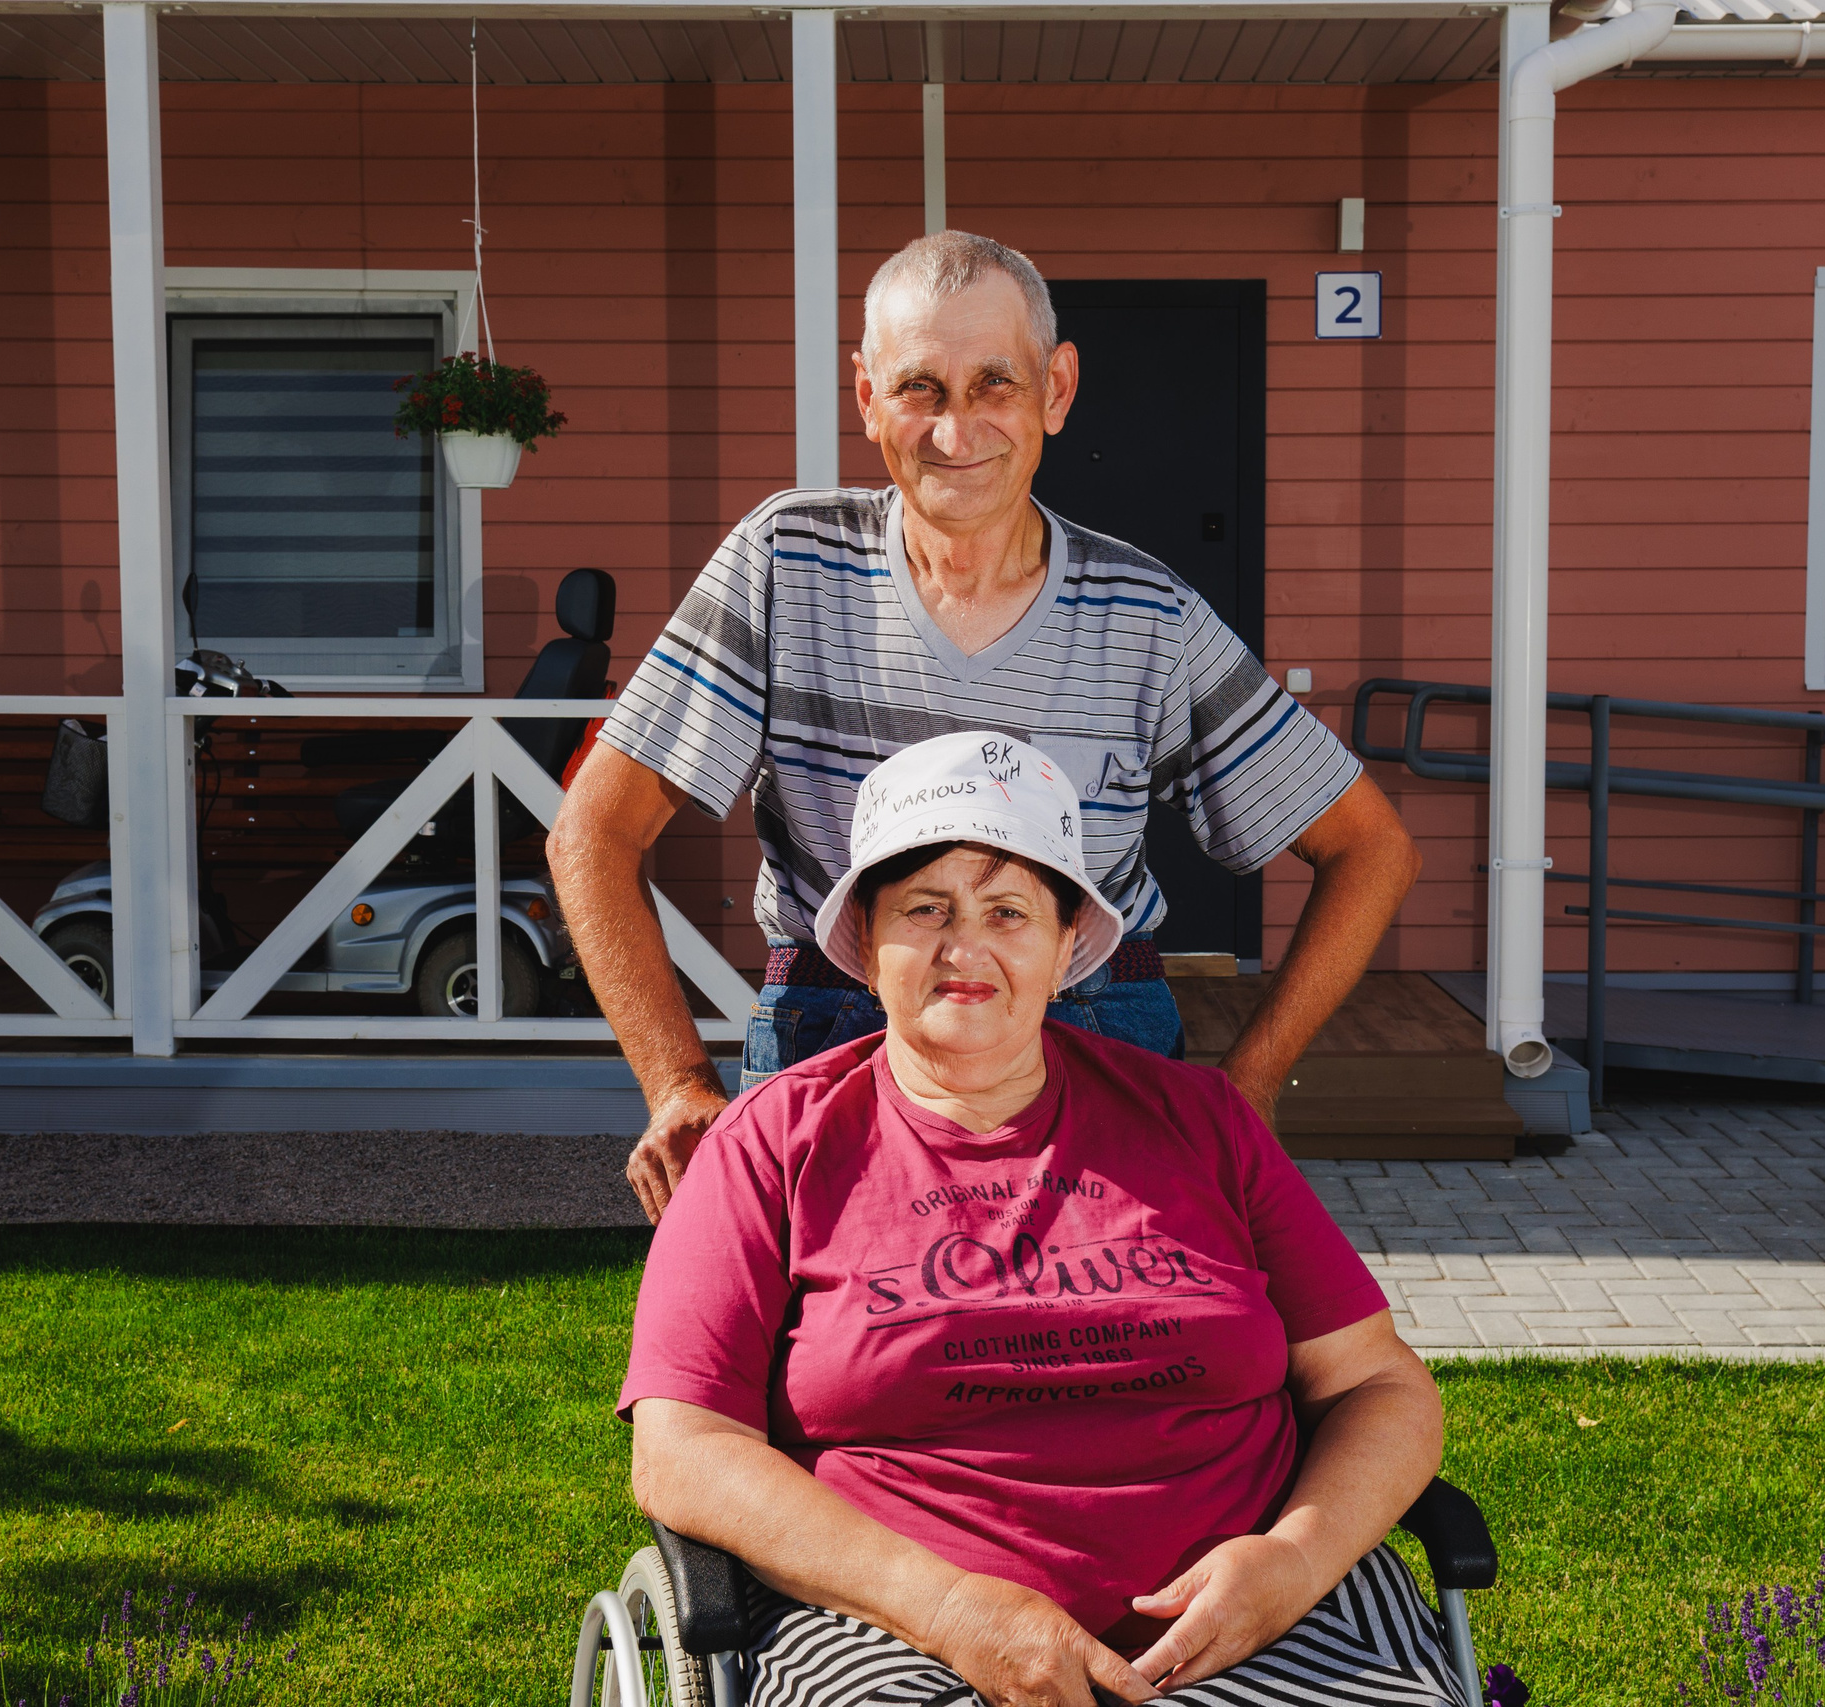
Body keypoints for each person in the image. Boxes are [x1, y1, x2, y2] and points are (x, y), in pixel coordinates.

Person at [551, 230, 1420, 1225]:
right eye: (919, 387)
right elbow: (592, 831)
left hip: (1093, 1032)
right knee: (816, 1366)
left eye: (992, 385)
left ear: (1056, 390)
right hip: (837, 1025)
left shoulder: (1148, 614)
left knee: (1112, 1358)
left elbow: (1370, 850)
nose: (954, 431)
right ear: (867, 395)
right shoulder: (783, 563)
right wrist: (674, 1083)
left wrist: (1252, 1085)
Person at [622, 733, 1462, 1707]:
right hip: (899, 1633)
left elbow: (1379, 1385)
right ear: (866, 940)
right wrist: (950, 1611)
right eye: (923, 909)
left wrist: (1293, 1563)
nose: (963, 947)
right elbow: (682, 1448)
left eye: (1008, 911)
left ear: (1068, 947)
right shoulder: (771, 1145)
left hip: (1263, 1620)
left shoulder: (1201, 1121)